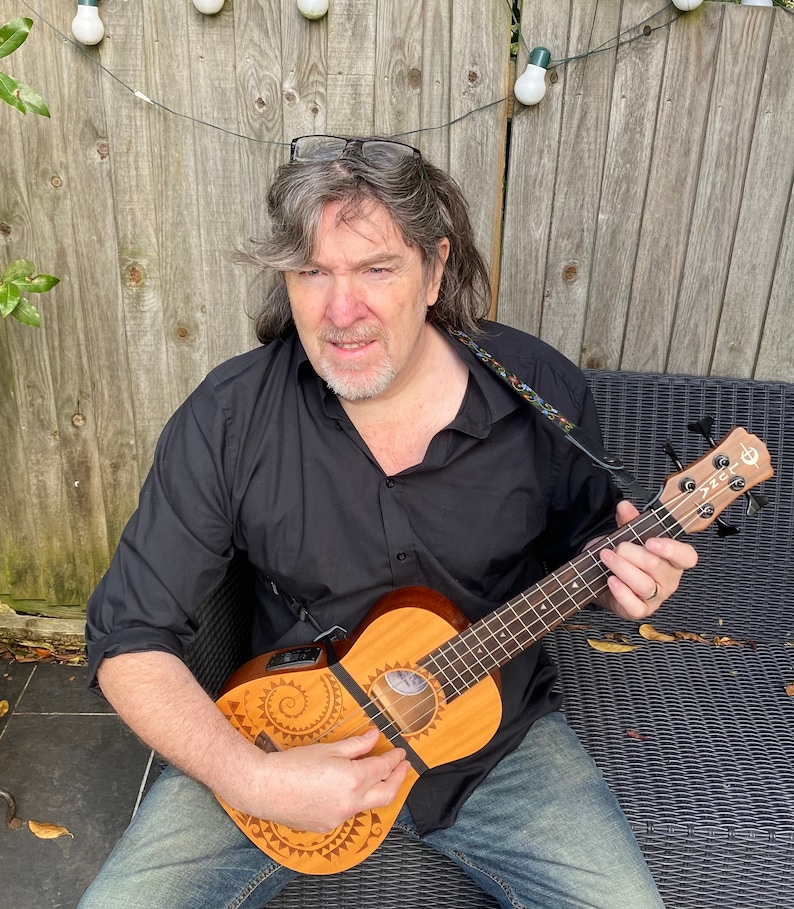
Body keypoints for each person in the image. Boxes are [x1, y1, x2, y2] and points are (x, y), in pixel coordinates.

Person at [80, 135, 697, 909]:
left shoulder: (537, 389)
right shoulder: (231, 416)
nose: (342, 312)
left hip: (495, 746)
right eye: (313, 272)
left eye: (377, 269)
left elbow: (590, 548)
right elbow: (126, 639)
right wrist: (252, 777)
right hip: (284, 737)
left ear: (435, 270)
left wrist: (625, 583)